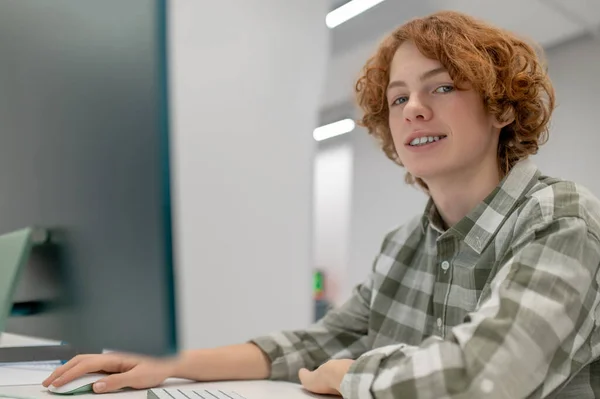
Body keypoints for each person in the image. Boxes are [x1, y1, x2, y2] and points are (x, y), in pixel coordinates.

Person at [43, 10, 600, 398]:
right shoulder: (404, 244)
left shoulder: (559, 217)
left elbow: (489, 376)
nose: (413, 110)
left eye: (443, 87)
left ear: (502, 110)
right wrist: (168, 366)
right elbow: (316, 343)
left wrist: (350, 376)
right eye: (399, 97)